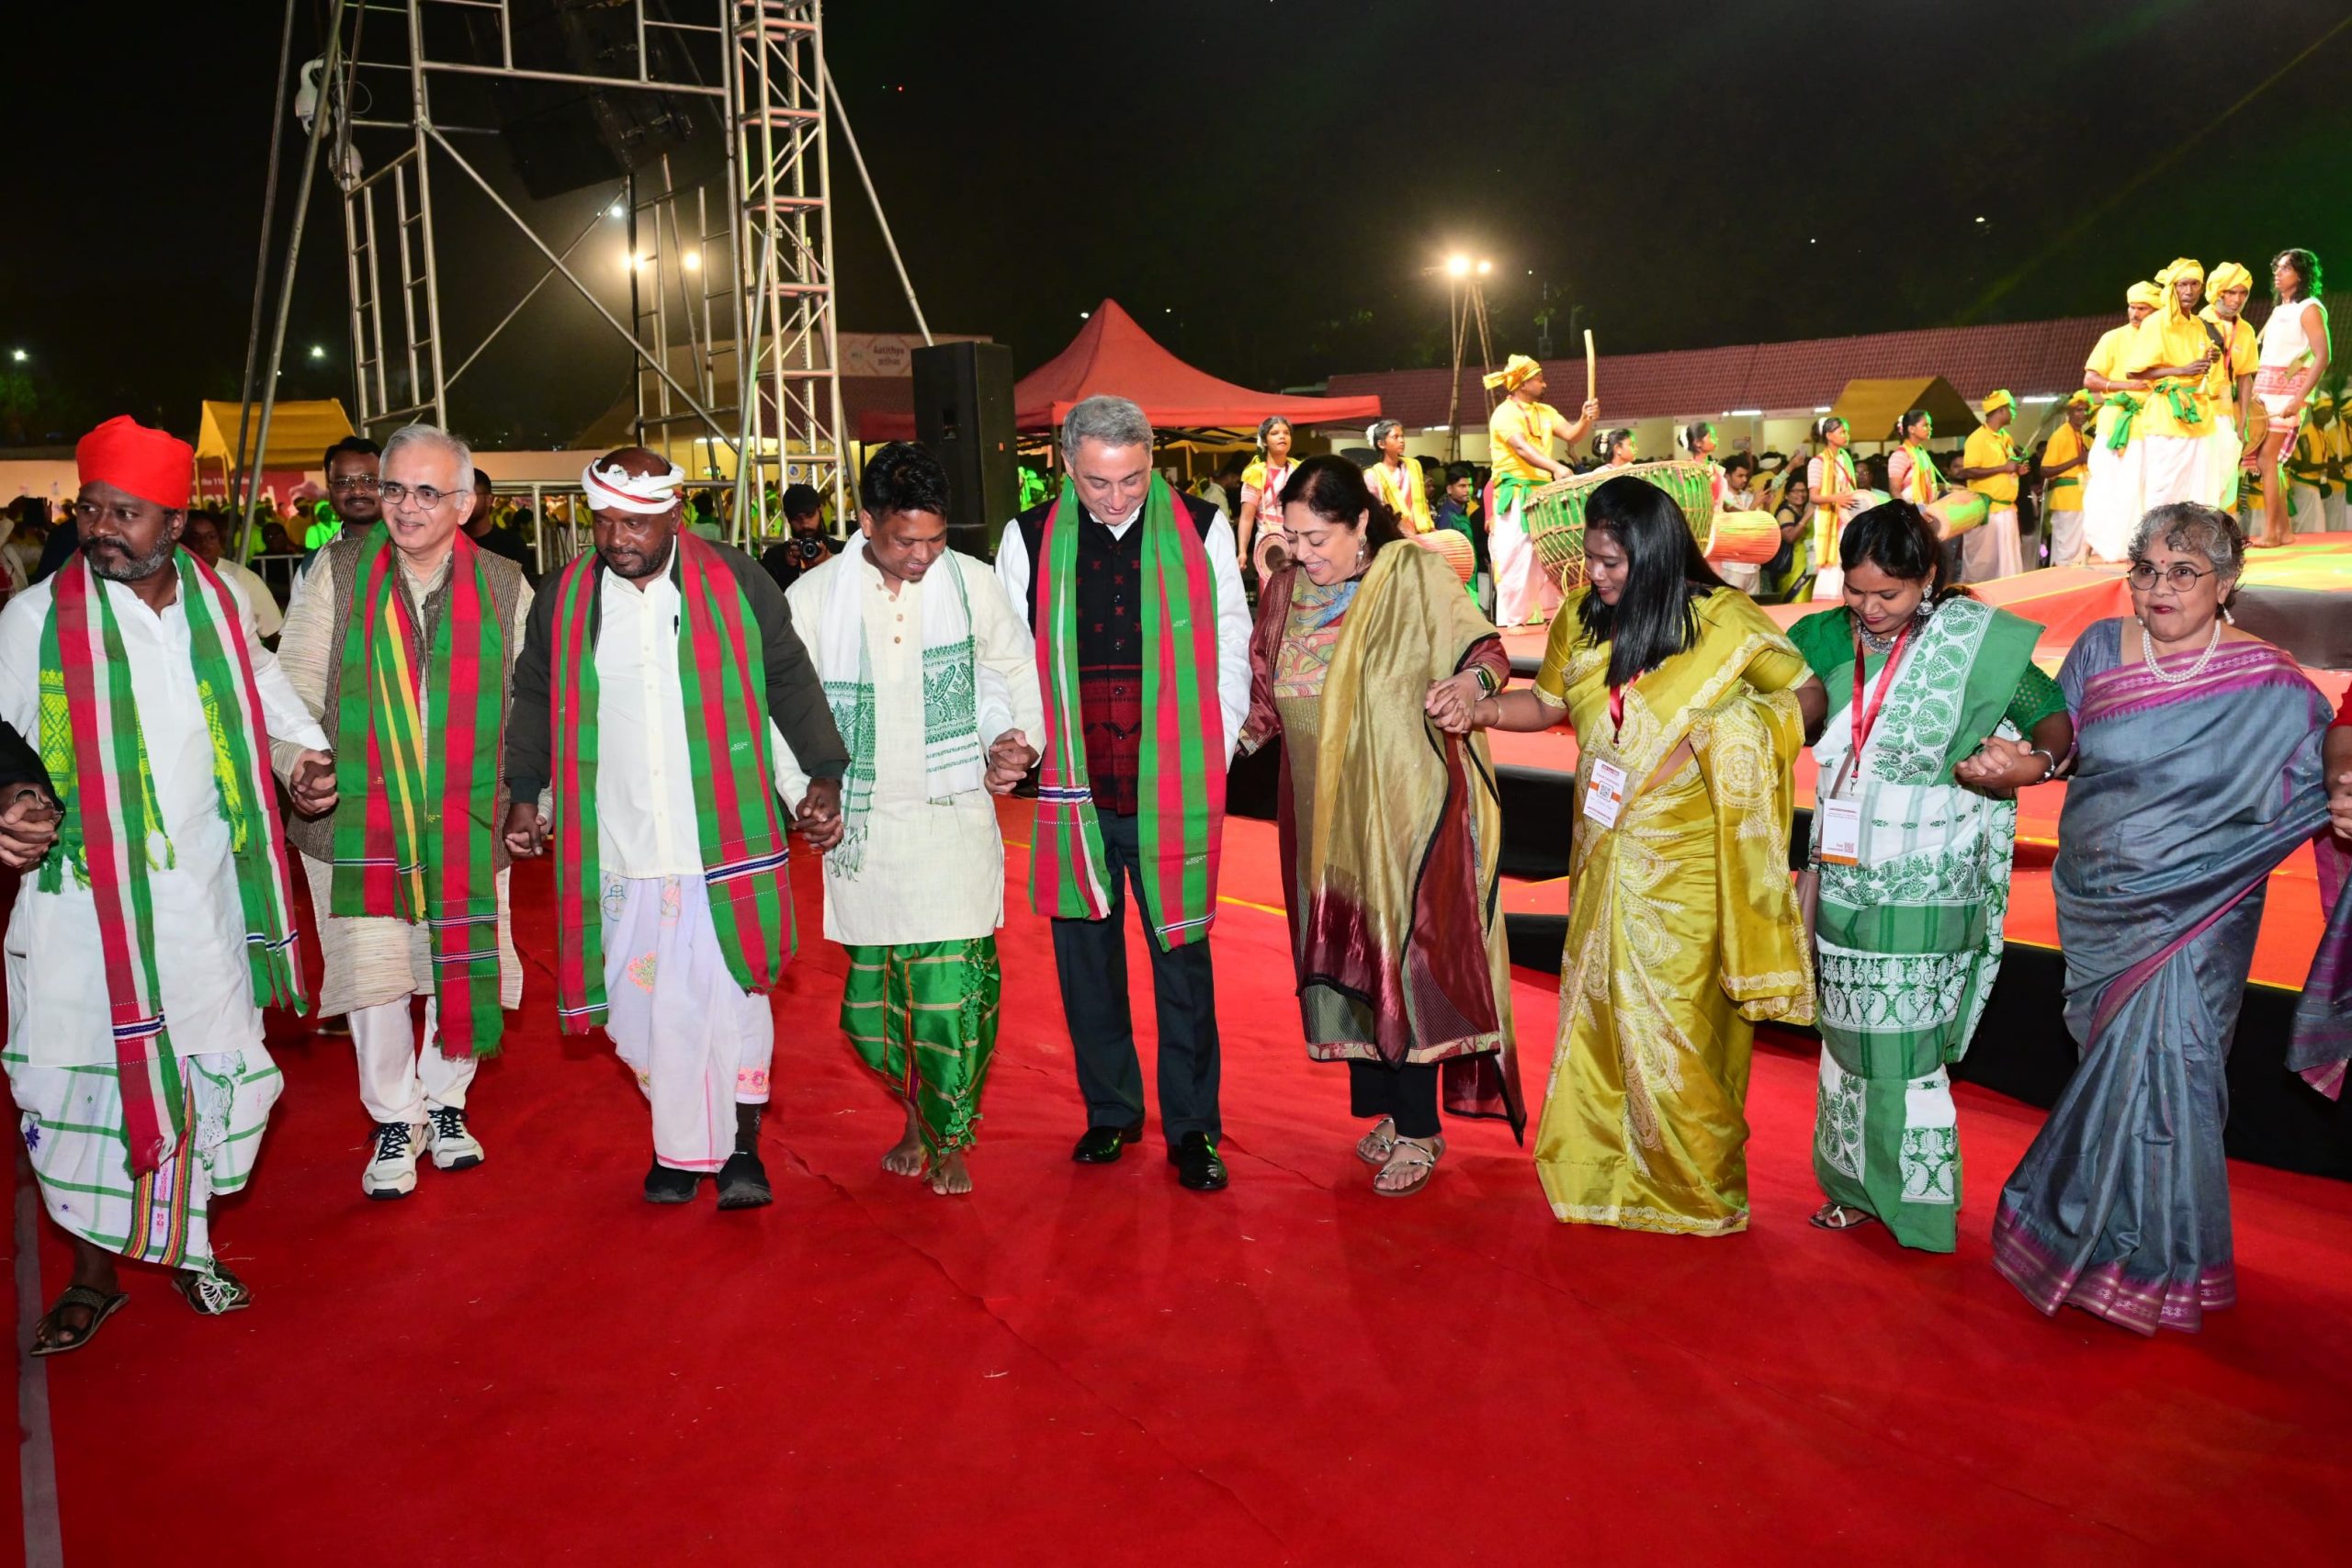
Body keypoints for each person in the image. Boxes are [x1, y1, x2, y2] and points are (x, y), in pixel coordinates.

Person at [0, 416, 334, 1350]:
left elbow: (261, 688)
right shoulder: (33, 620)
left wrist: (300, 759)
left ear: (177, 522)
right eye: (91, 509)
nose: (100, 528)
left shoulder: (219, 606)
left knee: (201, 1074)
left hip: (201, 899)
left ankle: (192, 1250)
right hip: (80, 908)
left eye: (126, 513)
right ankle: (92, 1275)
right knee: (81, 1086)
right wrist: (12, 800)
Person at [1994, 502, 2345, 1333]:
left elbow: (2323, 762)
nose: (2161, 587)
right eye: (2146, 569)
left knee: (2178, 1075)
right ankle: (2094, 1238)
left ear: (2226, 583)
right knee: (2109, 1070)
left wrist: (2343, 789)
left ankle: (2159, 1261)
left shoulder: (2268, 680)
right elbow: (2065, 745)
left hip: (2200, 914)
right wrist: (2027, 760)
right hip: (2101, 903)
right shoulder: (2097, 648)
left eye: (2185, 572)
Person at [1452, 475, 1827, 1234]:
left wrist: (1728, 735)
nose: (1594, 574)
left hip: (1689, 866)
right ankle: (1601, 1171)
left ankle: (1695, 1191)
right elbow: (1548, 704)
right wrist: (1482, 707)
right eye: (1590, 558)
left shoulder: (1721, 618)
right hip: (1602, 855)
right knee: (1601, 1014)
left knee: (1680, 1028)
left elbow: (1809, 697)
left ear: (1654, 555)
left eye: (1611, 562)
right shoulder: (1581, 620)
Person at [504, 447, 848, 1207]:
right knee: (640, 1007)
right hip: (619, 840)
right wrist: (526, 791)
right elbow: (534, 694)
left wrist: (822, 771)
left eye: (635, 523)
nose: (616, 538)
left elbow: (787, 676)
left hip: (721, 836)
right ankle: (679, 1142)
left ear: (675, 515)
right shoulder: (565, 597)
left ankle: (741, 1150)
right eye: (604, 522)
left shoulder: (737, 580)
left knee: (733, 996)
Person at [1787, 502, 2073, 1249]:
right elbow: (1797, 707)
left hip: (1927, 878)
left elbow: (2050, 715)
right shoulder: (1823, 636)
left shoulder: (1969, 642)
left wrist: (2029, 763)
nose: (1871, 609)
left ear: (1929, 579)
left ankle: (1918, 1203)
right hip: (1842, 874)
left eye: (1890, 593)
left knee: (1906, 1046)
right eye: (1857, 590)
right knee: (1846, 1037)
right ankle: (1850, 1188)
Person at [1239, 456, 1523, 1196]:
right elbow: (1263, 697)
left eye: (1317, 538)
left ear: (1361, 522)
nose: (1303, 554)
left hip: (1402, 810)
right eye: (1293, 538)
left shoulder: (1411, 577)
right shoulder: (1284, 592)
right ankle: (1391, 1115)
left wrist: (1467, 685)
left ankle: (1422, 1129)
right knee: (1351, 954)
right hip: (1321, 816)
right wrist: (1218, 746)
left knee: (1401, 956)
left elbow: (1486, 651)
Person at [993, 395, 1250, 1193]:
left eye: (1132, 480)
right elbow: (1008, 656)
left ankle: (1193, 1127)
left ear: (1153, 463)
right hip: (1076, 788)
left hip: (1171, 784)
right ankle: (1110, 1110)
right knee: (1086, 961)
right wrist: (1011, 736)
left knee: (1182, 956)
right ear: (1066, 467)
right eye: (1098, 482)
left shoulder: (1203, 529)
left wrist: (1209, 754)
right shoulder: (1028, 536)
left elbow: (1230, 646)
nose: (1116, 499)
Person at [777, 443, 1042, 1196]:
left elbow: (1013, 670)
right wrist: (803, 793)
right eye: (904, 540)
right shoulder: (813, 598)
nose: (923, 555)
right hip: (865, 837)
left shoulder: (973, 583)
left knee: (950, 998)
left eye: (935, 537)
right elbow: (784, 706)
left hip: (951, 820)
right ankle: (919, 1115)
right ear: (866, 522)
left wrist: (1016, 743)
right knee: (876, 1014)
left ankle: (948, 1136)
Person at [274, 424, 530, 1199]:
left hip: (468, 818)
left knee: (460, 955)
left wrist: (534, 796)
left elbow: (531, 704)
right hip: (355, 818)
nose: (406, 506)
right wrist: (296, 764)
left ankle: (446, 1103)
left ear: (465, 502)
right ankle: (395, 1115)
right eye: (394, 489)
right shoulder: (338, 571)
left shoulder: (505, 582)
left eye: (427, 491)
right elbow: (290, 686)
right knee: (375, 975)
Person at [1483, 354, 1599, 627]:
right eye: (1539, 379)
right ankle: (1514, 622)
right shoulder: (1504, 414)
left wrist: (1585, 419)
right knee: (1516, 558)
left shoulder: (1546, 412)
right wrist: (1556, 467)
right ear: (1523, 383)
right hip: (1515, 496)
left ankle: (1549, 616)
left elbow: (1571, 435)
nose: (1544, 384)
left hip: (1543, 496)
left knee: (1552, 555)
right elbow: (1521, 448)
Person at [2120, 260, 2220, 516]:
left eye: (2194, 284)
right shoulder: (2156, 323)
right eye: (2182, 285)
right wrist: (2181, 370)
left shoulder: (2198, 324)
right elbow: (2134, 371)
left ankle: (2192, 539)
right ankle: (2158, 539)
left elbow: (2197, 363)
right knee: (2164, 488)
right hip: (2166, 413)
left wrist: (2211, 357)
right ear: (2172, 288)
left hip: (2198, 414)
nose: (2189, 291)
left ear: (2202, 288)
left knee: (2198, 488)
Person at [2252, 249, 2330, 548]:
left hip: (2287, 394)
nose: (2278, 273)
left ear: (2301, 274)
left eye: (2286, 268)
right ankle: (2283, 532)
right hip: (2266, 393)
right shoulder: (2280, 309)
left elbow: (2323, 356)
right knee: (2270, 463)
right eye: (2277, 267)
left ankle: (2272, 532)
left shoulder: (2309, 308)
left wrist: (2299, 398)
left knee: (2267, 460)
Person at [2199, 262, 2261, 515]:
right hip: (2197, 411)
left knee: (2226, 474)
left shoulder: (2245, 330)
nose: (2237, 299)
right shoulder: (2196, 323)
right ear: (2217, 292)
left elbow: (2245, 377)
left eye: (2243, 293)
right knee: (2200, 476)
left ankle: (2217, 530)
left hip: (2226, 413)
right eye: (2231, 292)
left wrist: (2243, 420)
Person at [1951, 391, 2028, 581]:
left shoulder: (2006, 437)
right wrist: (2004, 468)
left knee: (2007, 569)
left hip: (2007, 509)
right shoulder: (1977, 438)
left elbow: (2006, 468)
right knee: (1984, 566)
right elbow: (1969, 471)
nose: (2014, 413)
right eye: (2011, 408)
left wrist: (2017, 470)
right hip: (1989, 511)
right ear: (2000, 411)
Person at [175, 510, 284, 639]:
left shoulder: (241, 577)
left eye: (211, 537)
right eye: (196, 537)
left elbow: (273, 631)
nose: (204, 543)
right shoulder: (174, 579)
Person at [1806, 415, 1863, 599]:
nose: (1847, 435)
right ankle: (1827, 601)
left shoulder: (1845, 458)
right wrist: (1835, 498)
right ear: (1829, 435)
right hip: (1829, 519)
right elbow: (1813, 497)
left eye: (1847, 432)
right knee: (1831, 565)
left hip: (1847, 518)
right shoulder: (1817, 462)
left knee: (1846, 561)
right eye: (1842, 432)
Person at [1236, 416, 1299, 574]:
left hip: (1298, 542)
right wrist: (1242, 552)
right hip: (1268, 543)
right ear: (1264, 441)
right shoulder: (1255, 473)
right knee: (1271, 588)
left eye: (1286, 433)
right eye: (1275, 433)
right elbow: (1246, 518)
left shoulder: (1299, 470)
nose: (1282, 436)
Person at [2041, 394, 2094, 566]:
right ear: (2069, 412)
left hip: (2082, 499)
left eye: (2086, 410)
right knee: (2066, 551)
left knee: (2078, 552)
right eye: (2078, 410)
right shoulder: (2060, 435)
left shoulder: (2083, 436)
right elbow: (2045, 470)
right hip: (2066, 501)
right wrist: (2078, 460)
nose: (2083, 414)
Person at [310, 436, 383, 559]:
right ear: (329, 490)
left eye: (369, 481)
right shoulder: (314, 564)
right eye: (343, 482)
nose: (357, 491)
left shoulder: (415, 552)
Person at [461, 467, 538, 583]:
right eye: (459, 496)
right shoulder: (447, 543)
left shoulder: (512, 544)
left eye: (470, 496)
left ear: (489, 500)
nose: (464, 502)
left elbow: (523, 588)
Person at [760, 482, 842, 589]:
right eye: (797, 519)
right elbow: (765, 594)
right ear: (788, 519)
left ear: (820, 511)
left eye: (809, 515)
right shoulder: (774, 559)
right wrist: (786, 568)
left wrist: (832, 562)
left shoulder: (843, 552)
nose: (805, 524)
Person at [1363, 418, 1432, 534]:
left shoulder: (1413, 465)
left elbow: (1422, 501)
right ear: (1381, 444)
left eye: (1402, 436)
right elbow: (1375, 510)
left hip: (1421, 529)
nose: (1401, 441)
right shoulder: (1372, 475)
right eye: (1395, 437)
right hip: (1393, 532)